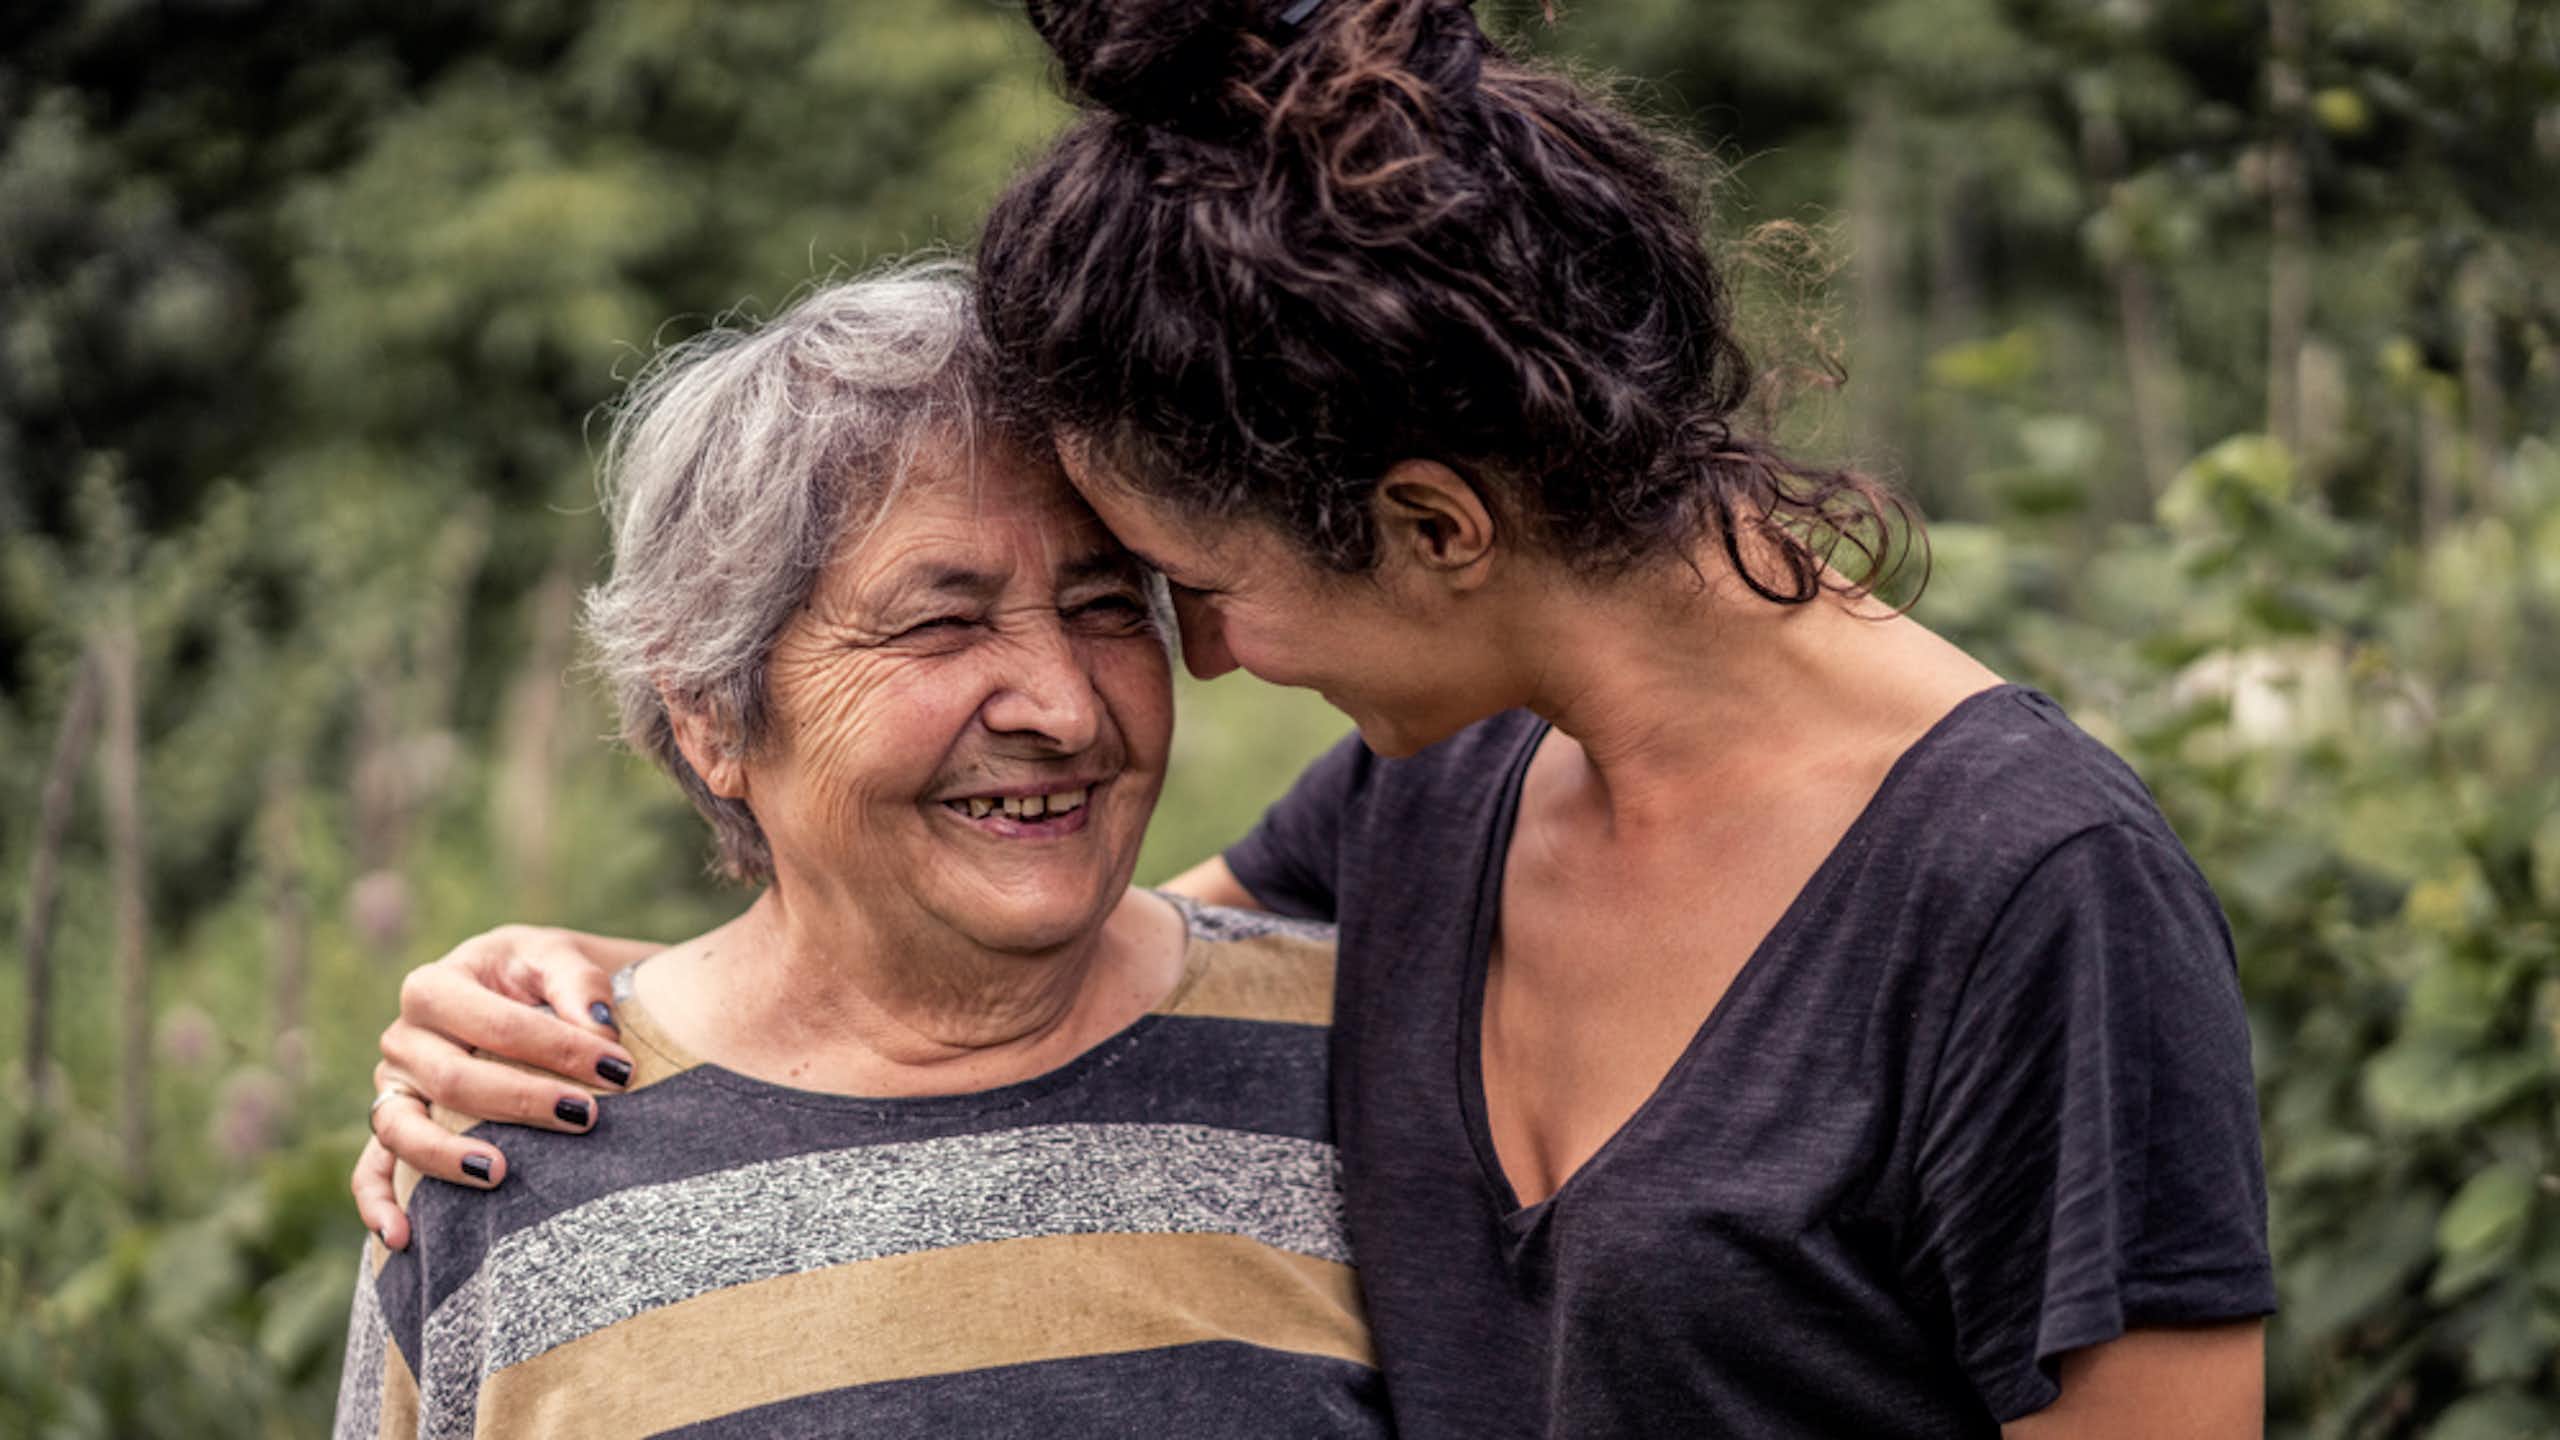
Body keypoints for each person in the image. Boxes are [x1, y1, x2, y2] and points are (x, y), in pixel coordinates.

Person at [356, 3, 2276, 1434]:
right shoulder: (1440, 804)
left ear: (1433, 528)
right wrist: (607, 1000)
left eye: (1182, 587)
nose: (1198, 664)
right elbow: (1008, 969)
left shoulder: (2032, 892)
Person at [332, 268, 1390, 1439]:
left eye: (1103, 606)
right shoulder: (509, 1154)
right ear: (714, 721)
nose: (1068, 711)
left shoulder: (1367, 1058)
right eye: (941, 623)